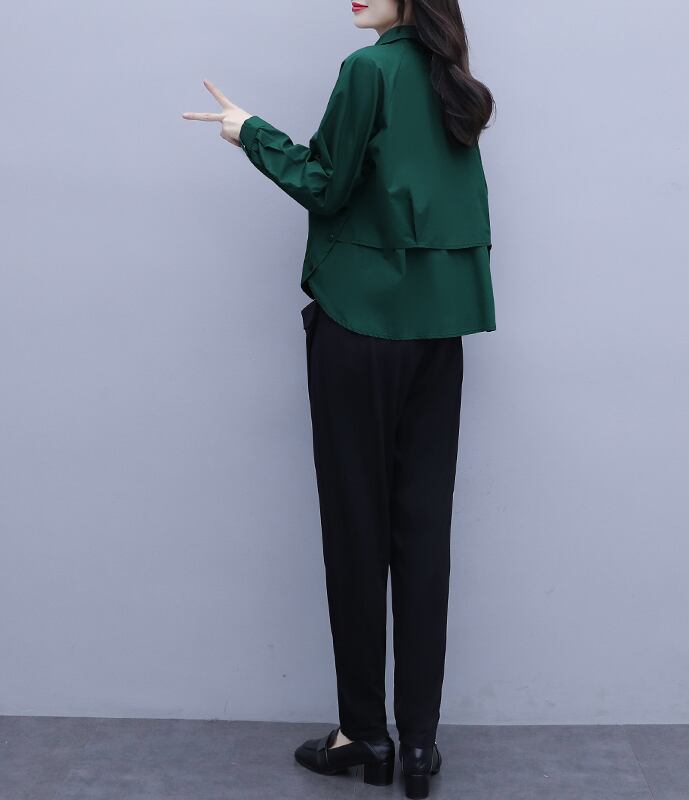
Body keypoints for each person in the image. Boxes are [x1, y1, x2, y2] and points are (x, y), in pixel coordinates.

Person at [182, 0, 495, 796]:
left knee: (358, 527)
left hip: (360, 327)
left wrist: (249, 131)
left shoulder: (369, 69)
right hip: (440, 333)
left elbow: (326, 186)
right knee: (424, 535)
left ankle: (365, 735)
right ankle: (419, 746)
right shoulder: (450, 78)